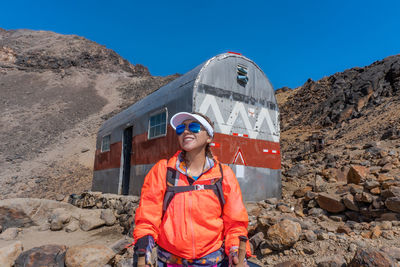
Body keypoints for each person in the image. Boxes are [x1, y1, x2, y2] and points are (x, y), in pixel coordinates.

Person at [133, 111, 252, 267]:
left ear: (209, 137)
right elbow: (147, 220)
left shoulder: (224, 175)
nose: (186, 131)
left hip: (212, 262)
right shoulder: (163, 171)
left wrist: (236, 252)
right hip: (168, 262)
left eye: (194, 127)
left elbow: (235, 224)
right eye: (181, 129)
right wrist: (144, 250)